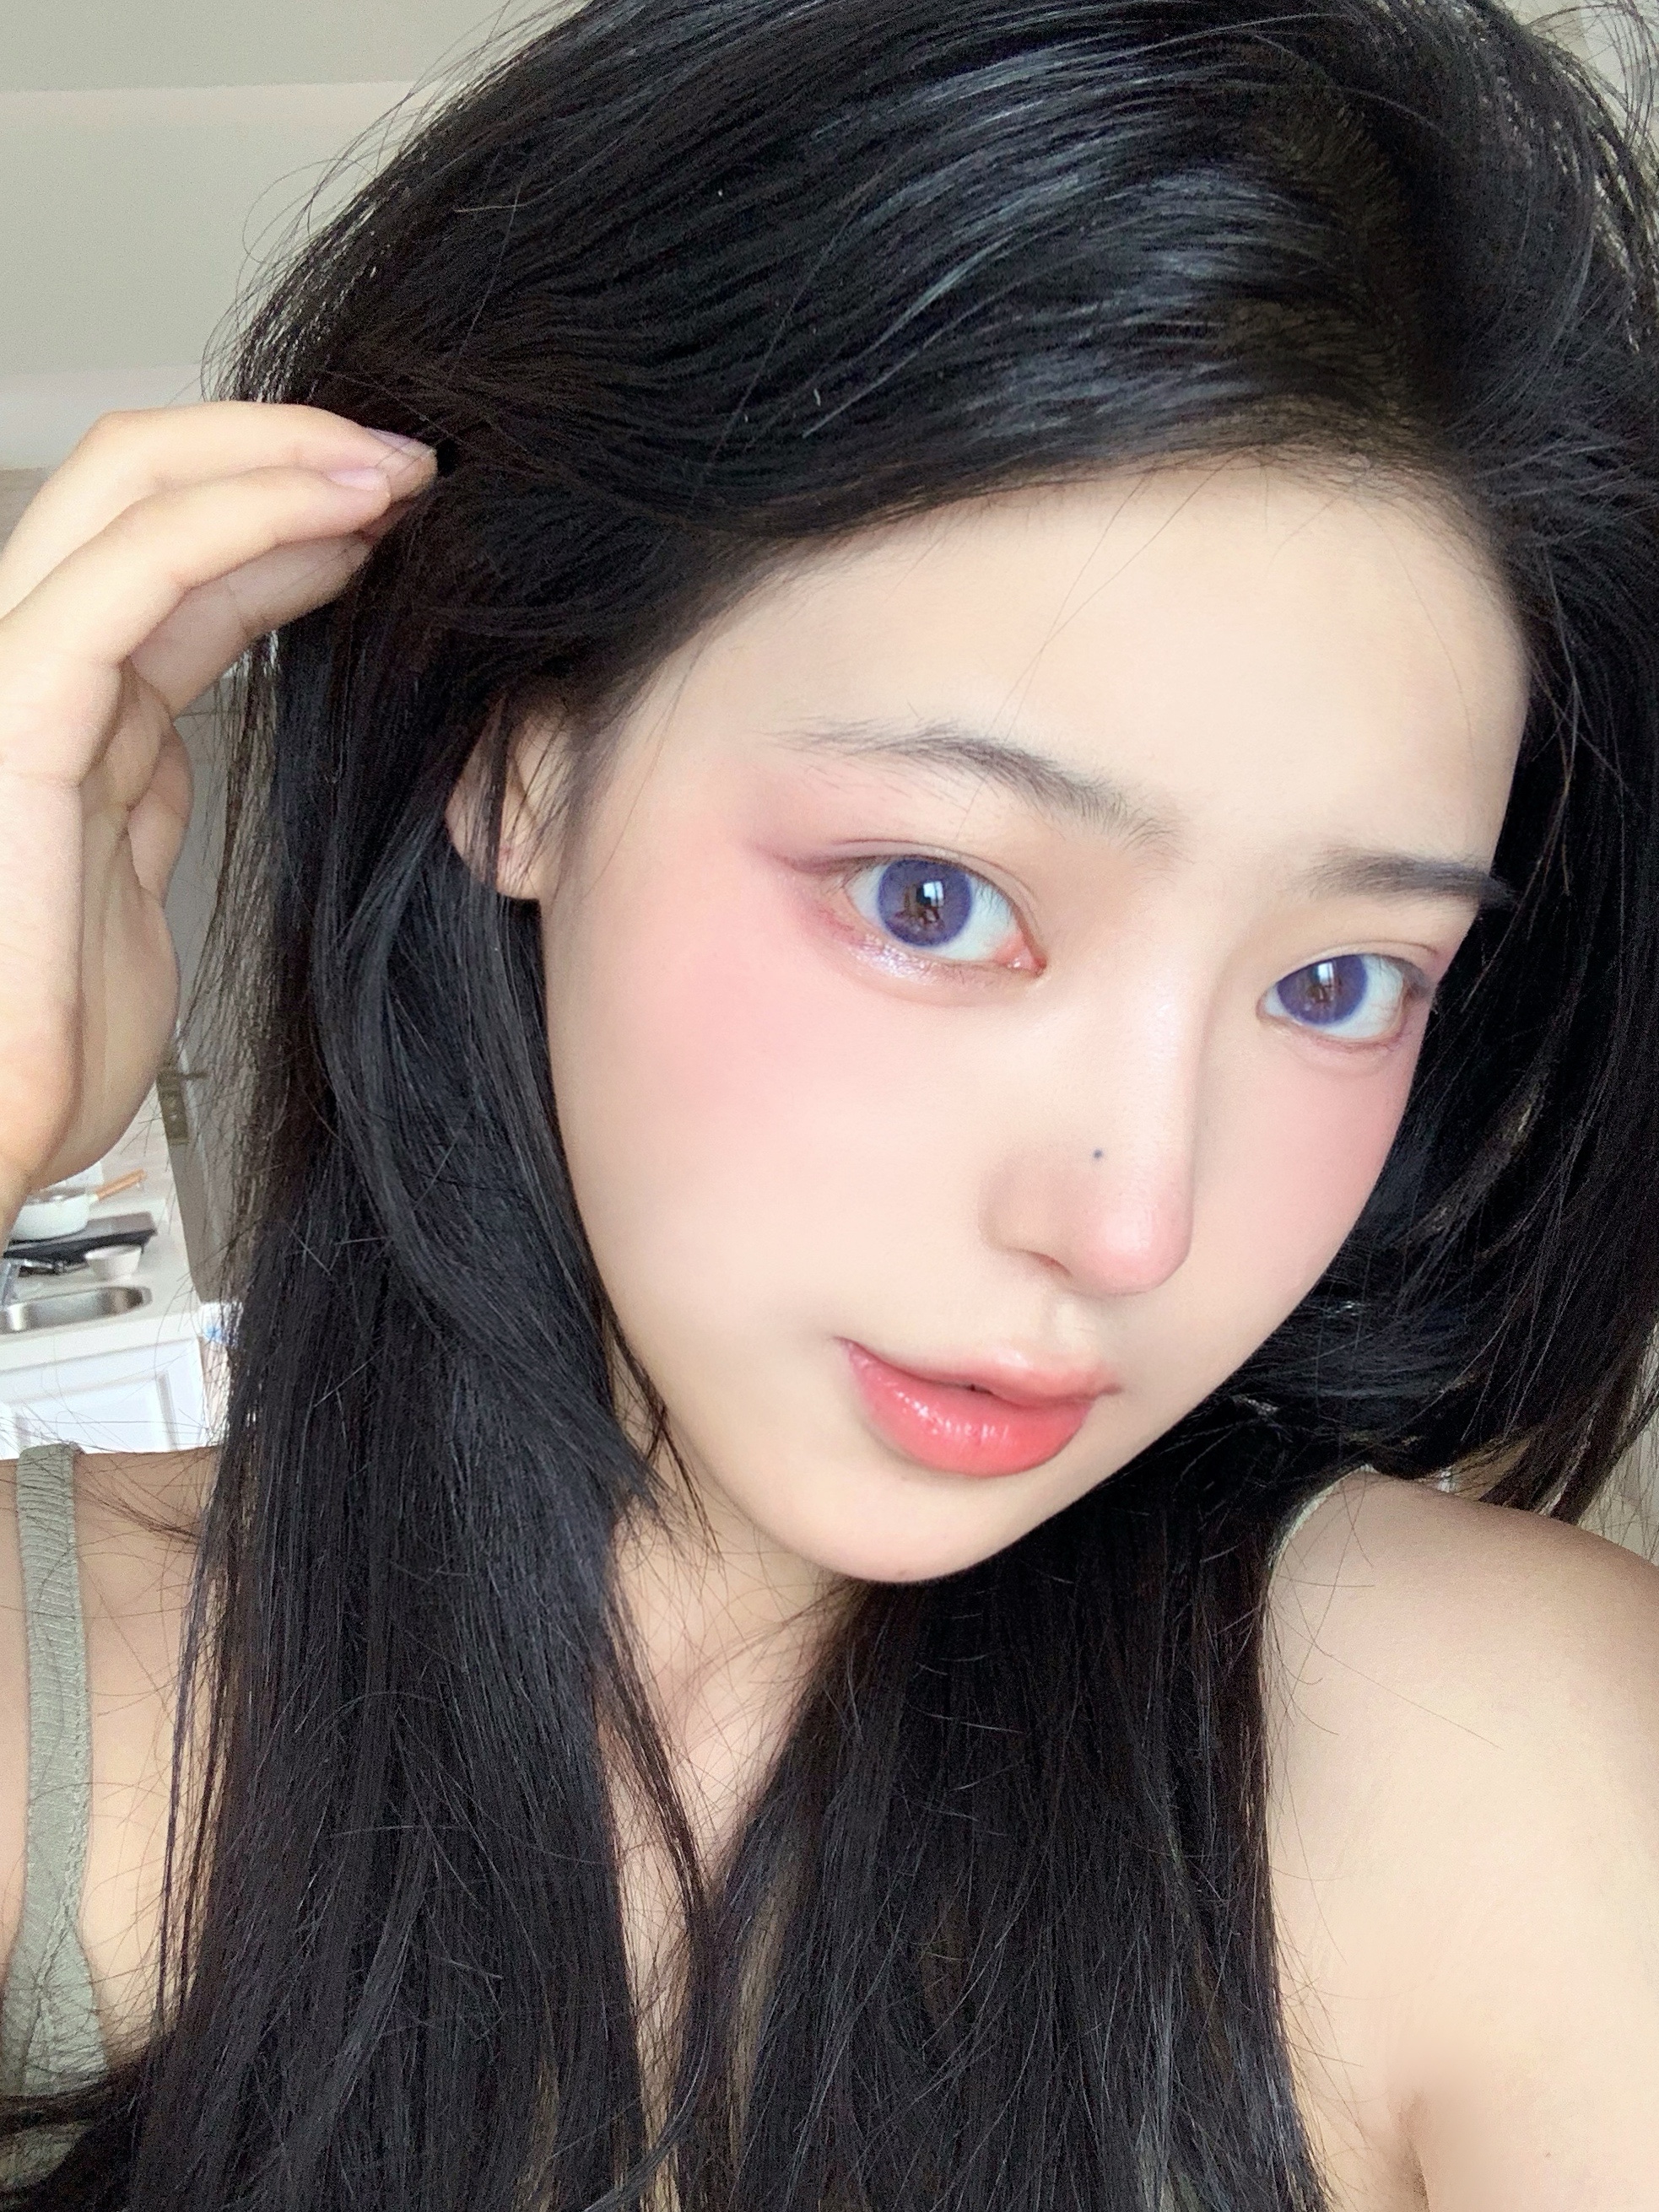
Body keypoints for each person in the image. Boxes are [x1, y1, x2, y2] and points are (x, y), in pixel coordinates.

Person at [3, 0, 1659, 2203]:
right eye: (933, 896)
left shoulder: (1515, 1772)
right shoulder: (46, 1698)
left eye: (1335, 982)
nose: (1133, 1224)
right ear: (522, 753)